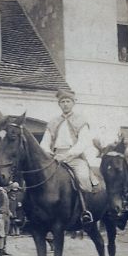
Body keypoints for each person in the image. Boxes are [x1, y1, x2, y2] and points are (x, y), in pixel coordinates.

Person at [40, 88, 99, 224]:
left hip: (74, 158)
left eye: (68, 101)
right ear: (59, 104)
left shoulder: (81, 121)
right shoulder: (53, 122)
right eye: (62, 102)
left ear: (73, 103)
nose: (65, 104)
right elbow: (44, 143)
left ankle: (85, 210)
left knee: (83, 178)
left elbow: (83, 142)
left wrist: (67, 155)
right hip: (54, 158)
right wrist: (50, 154)